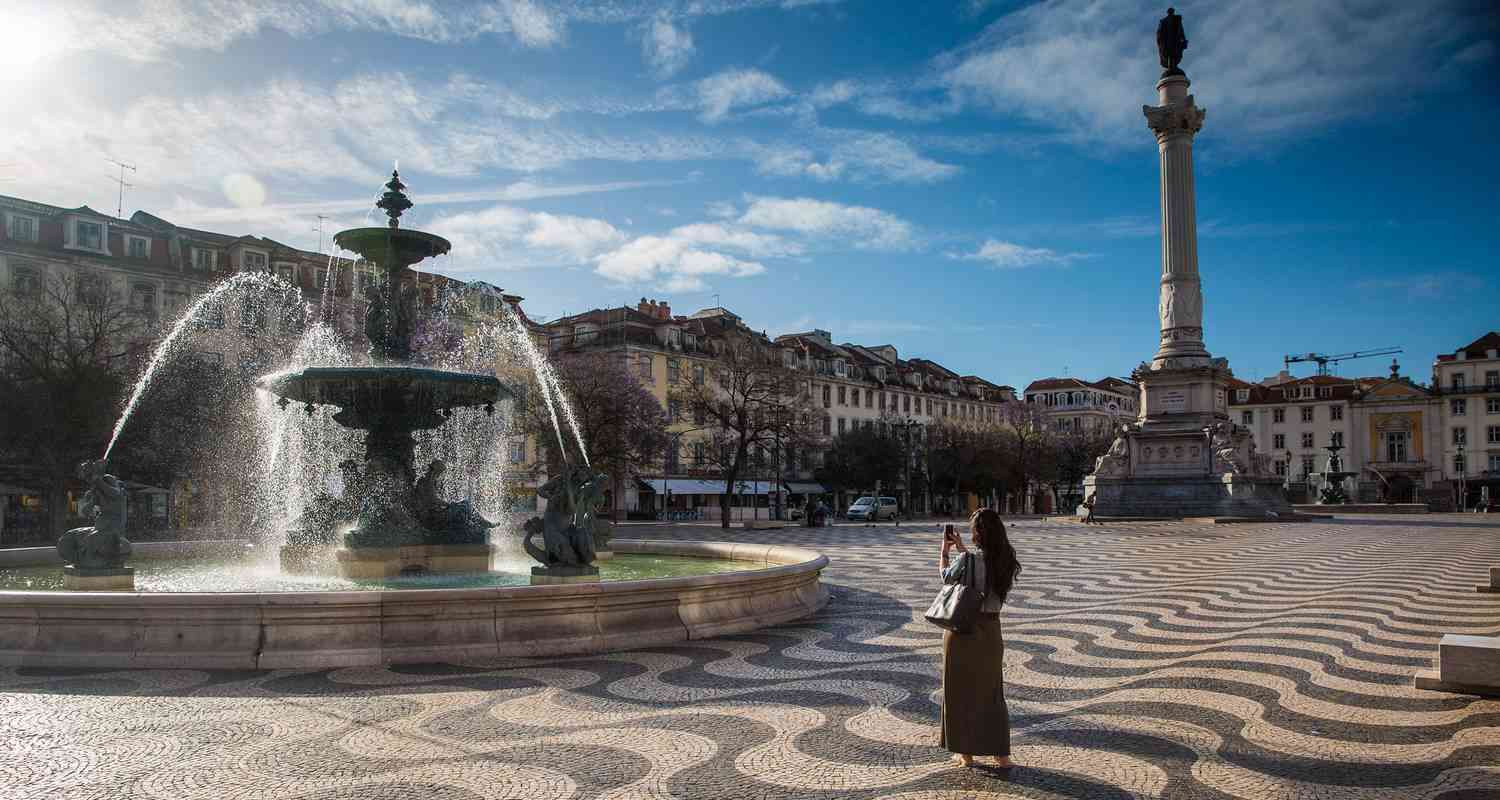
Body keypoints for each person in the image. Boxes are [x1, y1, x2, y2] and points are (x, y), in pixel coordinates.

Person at [938, 509, 1021, 769]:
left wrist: (944, 552)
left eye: (973, 529)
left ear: (978, 533)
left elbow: (946, 578)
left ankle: (966, 754)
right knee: (991, 692)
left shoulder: (967, 560)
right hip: (991, 633)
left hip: (964, 630)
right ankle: (1001, 754)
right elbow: (981, 567)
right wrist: (963, 550)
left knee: (959, 692)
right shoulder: (1007, 559)